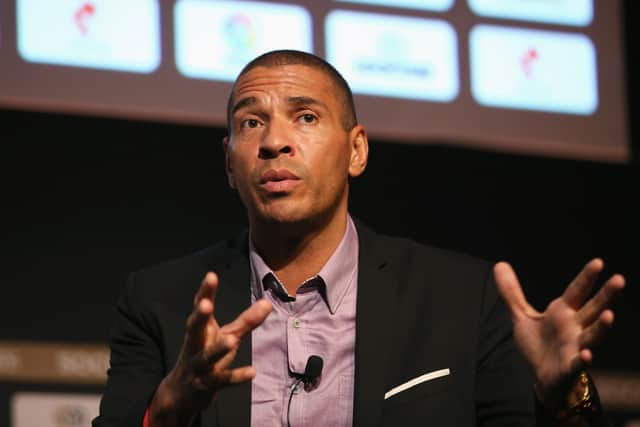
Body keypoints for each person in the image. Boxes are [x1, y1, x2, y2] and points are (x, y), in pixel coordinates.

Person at [92, 49, 626, 427]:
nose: (274, 142)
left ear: (356, 151)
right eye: (251, 123)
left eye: (304, 117)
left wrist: (562, 397)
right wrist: (167, 408)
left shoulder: (462, 299)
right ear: (228, 163)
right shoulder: (160, 301)